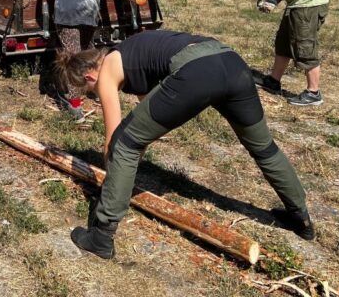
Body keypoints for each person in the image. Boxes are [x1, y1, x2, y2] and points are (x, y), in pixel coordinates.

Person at [56, 29, 315, 259]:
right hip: (231, 62)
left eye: (90, 91)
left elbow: (114, 142)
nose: (95, 94)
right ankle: (300, 216)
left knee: (122, 144)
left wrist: (109, 183)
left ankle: (101, 236)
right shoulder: (133, 53)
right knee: (263, 147)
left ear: (90, 76)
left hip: (199, 71)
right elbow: (147, 121)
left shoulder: (108, 69)